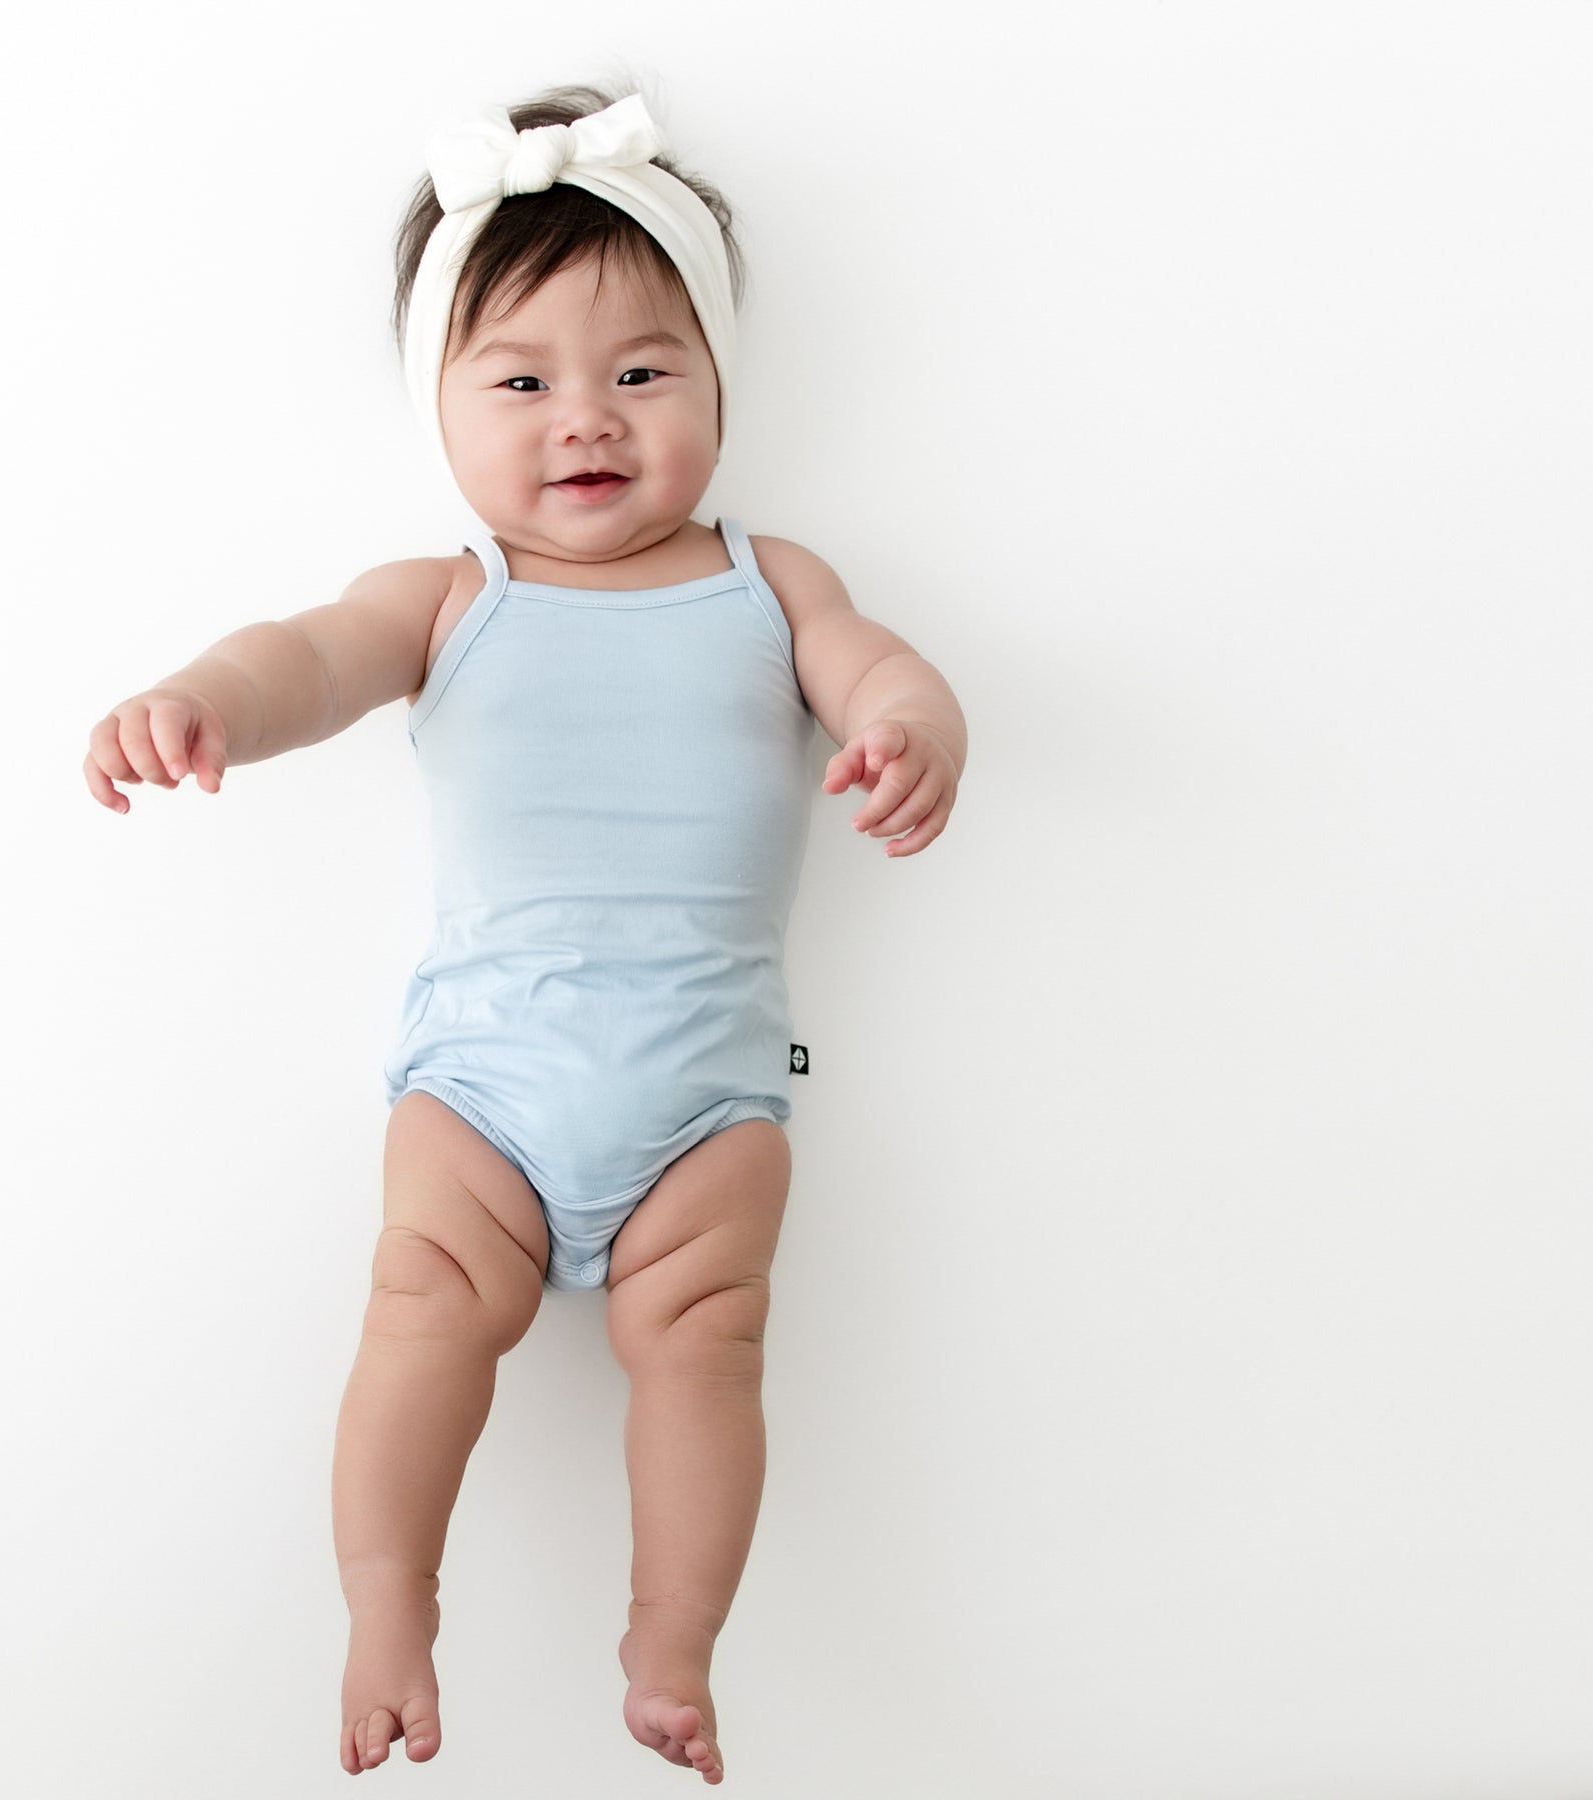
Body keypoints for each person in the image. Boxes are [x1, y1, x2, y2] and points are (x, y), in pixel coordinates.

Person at [83, 80, 967, 1785]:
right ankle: (387, 1608)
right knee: (419, 1303)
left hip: (710, 1090)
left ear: (716, 383)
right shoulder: (451, 595)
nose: (590, 420)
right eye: (523, 379)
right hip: (483, 1080)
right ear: (441, 404)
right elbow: (306, 657)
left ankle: (675, 1643)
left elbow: (882, 666)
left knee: (708, 1338)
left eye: (645, 371)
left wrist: (914, 729)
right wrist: (202, 697)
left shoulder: (770, 580)